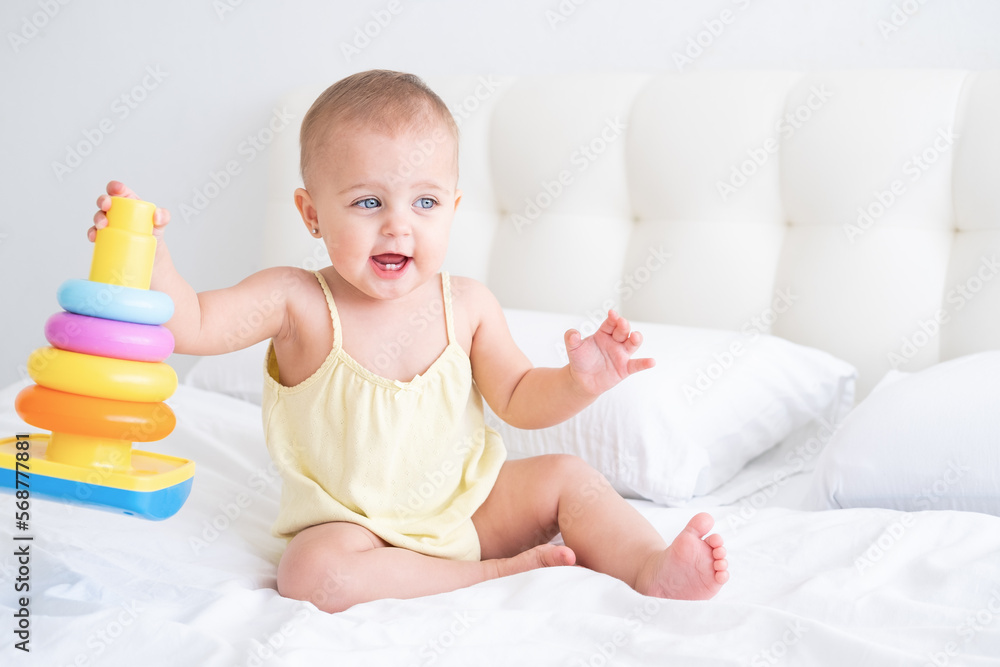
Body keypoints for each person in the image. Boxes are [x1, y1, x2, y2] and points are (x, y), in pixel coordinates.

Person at [91, 69, 728, 613]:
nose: (399, 226)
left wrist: (578, 382)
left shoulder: (468, 305)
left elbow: (518, 397)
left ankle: (649, 567)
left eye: (424, 202)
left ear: (452, 208)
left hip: (469, 510)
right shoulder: (296, 301)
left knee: (568, 475)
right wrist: (149, 260)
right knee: (311, 574)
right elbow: (193, 325)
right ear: (312, 214)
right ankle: (491, 576)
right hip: (353, 526)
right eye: (368, 202)